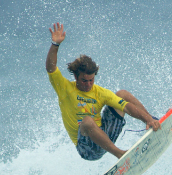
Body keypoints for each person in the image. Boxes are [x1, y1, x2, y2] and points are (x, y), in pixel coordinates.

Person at [45, 22, 160, 160]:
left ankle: (152, 122)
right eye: (83, 80)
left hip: (107, 135)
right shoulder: (64, 88)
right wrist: (55, 45)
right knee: (87, 121)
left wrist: (146, 118)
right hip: (87, 149)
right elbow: (51, 68)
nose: (88, 84)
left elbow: (126, 107)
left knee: (122, 94)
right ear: (75, 77)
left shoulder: (100, 92)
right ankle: (120, 154)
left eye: (91, 80)